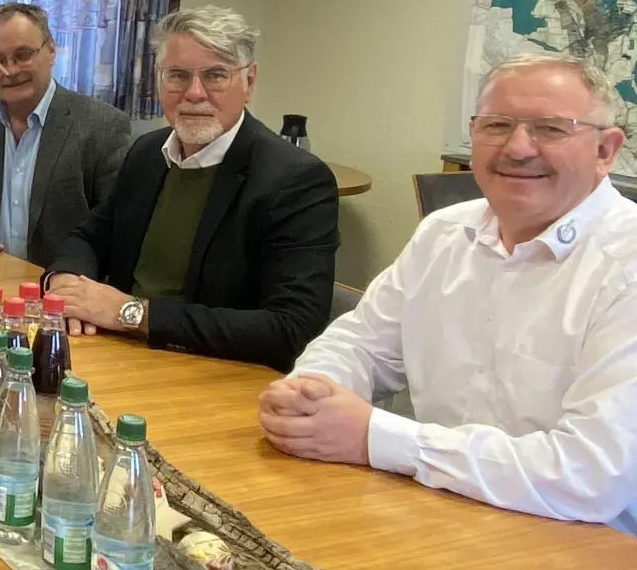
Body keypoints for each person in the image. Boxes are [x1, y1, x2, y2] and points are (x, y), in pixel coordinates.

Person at [262, 54, 637, 533]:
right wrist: (310, 393)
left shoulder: (625, 267)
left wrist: (377, 438)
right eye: (497, 125)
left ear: (605, 150)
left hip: (579, 544)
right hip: (437, 511)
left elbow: (590, 476)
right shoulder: (443, 233)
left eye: (550, 129)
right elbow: (360, 344)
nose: (518, 148)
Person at [43, 5, 338, 372]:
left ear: (249, 81)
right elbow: (90, 236)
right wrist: (66, 283)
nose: (194, 93)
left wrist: (131, 313)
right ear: (158, 80)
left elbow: (291, 328)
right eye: (178, 75)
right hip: (122, 355)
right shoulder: (147, 153)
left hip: (216, 373)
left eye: (216, 75)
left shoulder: (296, 180)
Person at [0, 2, 132, 268]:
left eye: (23, 55)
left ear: (51, 51)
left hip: (59, 283)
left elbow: (115, 226)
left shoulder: (102, 125)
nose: (10, 70)